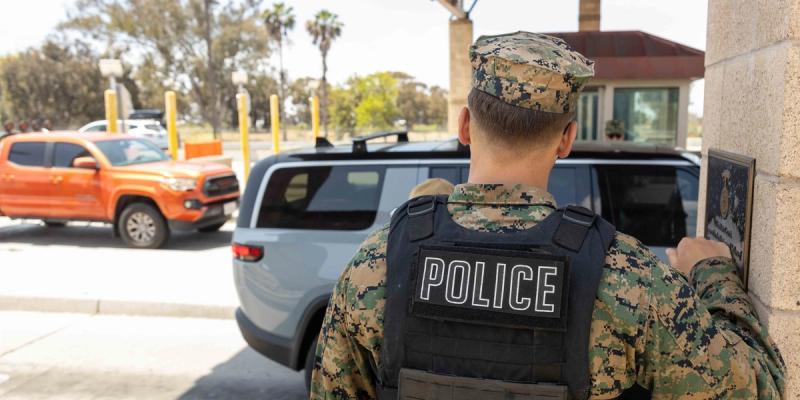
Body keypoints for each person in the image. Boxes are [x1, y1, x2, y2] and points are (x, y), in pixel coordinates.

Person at [311, 32, 785, 399]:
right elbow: (759, 387)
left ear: (464, 125)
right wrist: (714, 273)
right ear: (566, 139)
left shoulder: (377, 263)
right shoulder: (625, 277)